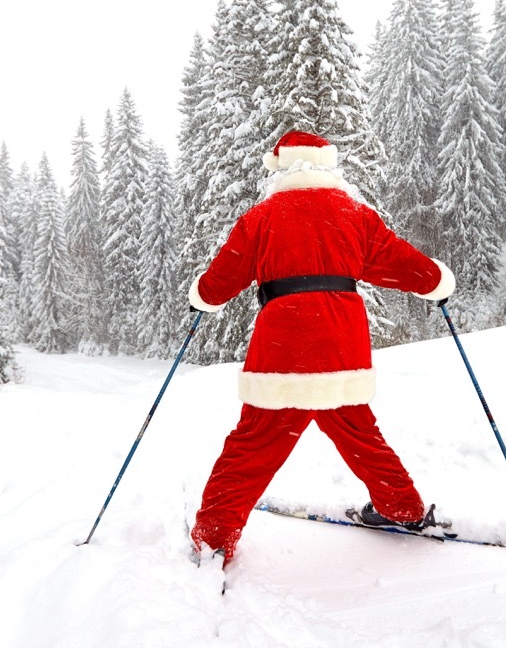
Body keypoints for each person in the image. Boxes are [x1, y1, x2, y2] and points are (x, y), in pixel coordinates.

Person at [187, 130, 455, 563]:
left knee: (253, 443)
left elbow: (219, 283)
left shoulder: (261, 218)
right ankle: (401, 509)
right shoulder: (353, 214)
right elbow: (402, 262)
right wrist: (436, 284)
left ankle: (215, 536)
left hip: (283, 348)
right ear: (325, 165)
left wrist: (202, 296)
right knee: (359, 433)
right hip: (340, 347)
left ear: (280, 169)